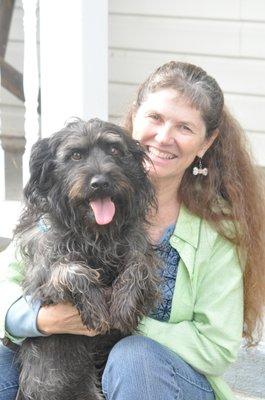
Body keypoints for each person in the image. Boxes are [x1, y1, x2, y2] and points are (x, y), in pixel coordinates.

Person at [1, 61, 265, 400]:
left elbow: (216, 348)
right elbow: (5, 286)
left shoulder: (218, 230)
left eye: (184, 127)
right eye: (155, 118)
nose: (164, 137)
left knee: (133, 358)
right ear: (136, 116)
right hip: (64, 366)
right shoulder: (61, 209)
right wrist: (43, 321)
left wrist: (117, 323)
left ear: (206, 142)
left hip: (161, 379)